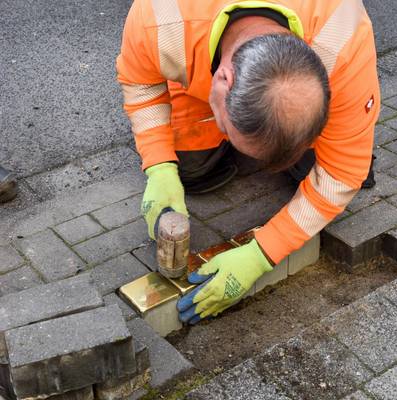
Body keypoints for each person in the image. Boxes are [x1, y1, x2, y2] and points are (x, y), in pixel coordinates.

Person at [116, 0, 380, 324]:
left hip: (312, 90)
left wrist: (262, 253)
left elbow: (342, 173)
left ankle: (301, 141)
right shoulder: (160, 18)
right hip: (194, 66)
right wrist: (159, 166)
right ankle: (223, 126)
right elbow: (142, 83)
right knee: (190, 171)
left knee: (339, 167)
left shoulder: (343, 40)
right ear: (224, 80)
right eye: (230, 128)